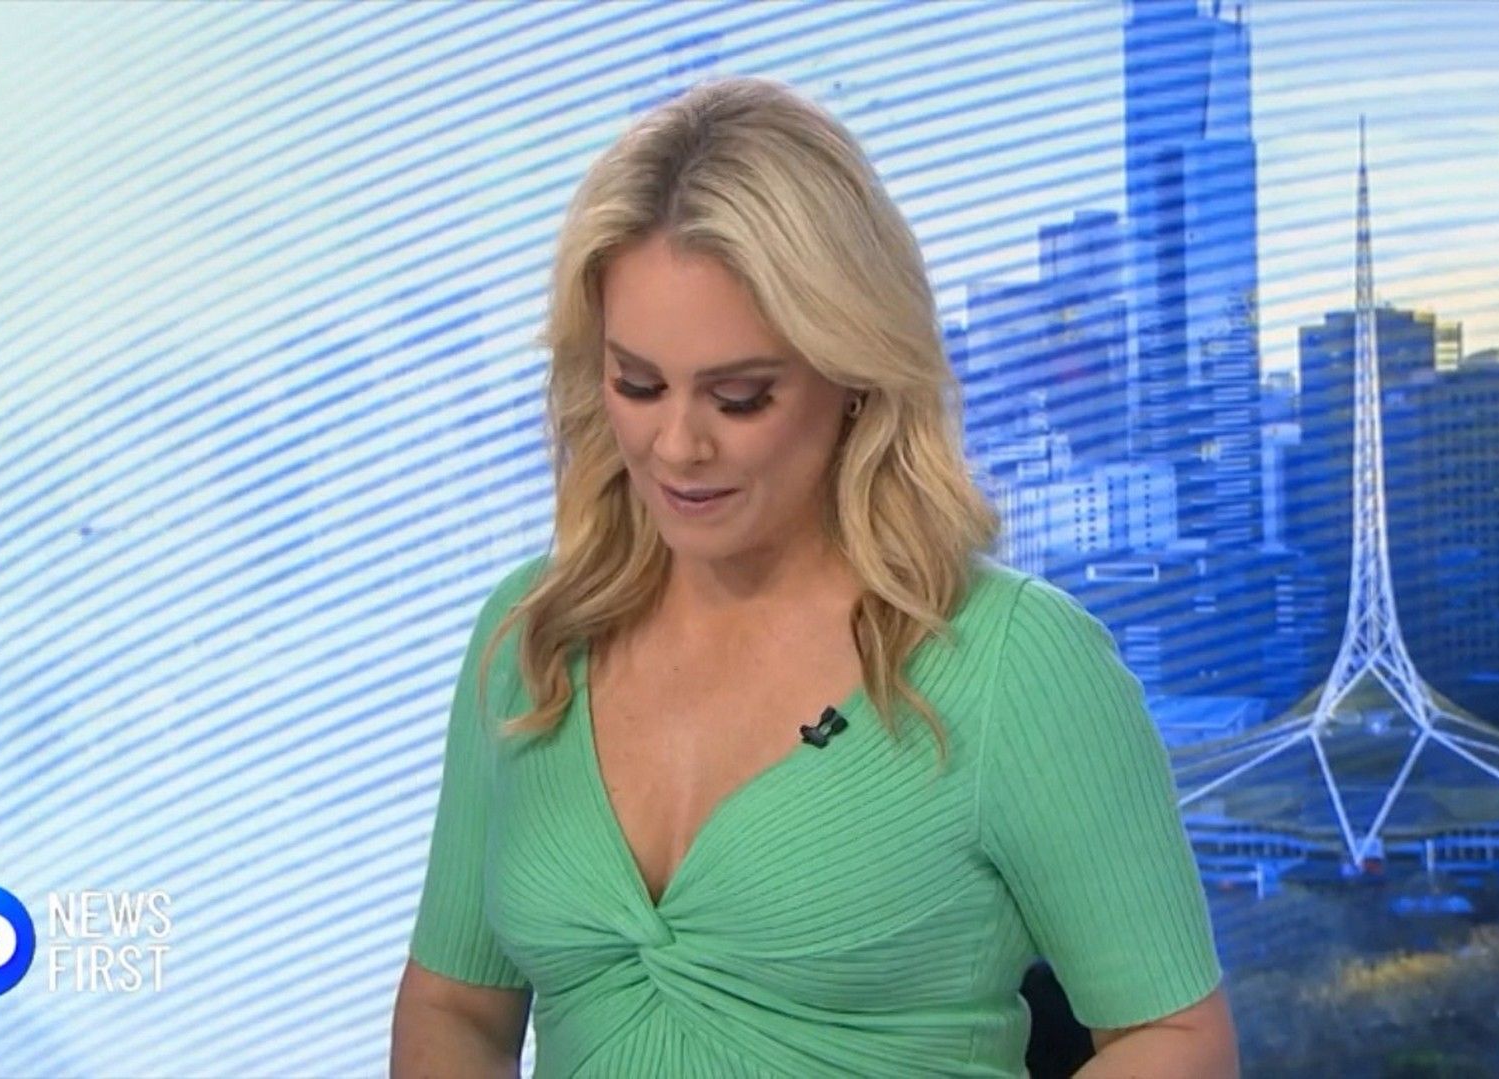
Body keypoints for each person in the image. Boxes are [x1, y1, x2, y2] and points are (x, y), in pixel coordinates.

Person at [390, 75, 1237, 1078]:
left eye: (740, 396)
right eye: (639, 383)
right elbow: (454, 1007)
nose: (677, 444)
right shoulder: (532, 638)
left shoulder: (1014, 663)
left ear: (854, 376)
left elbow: (1176, 1040)